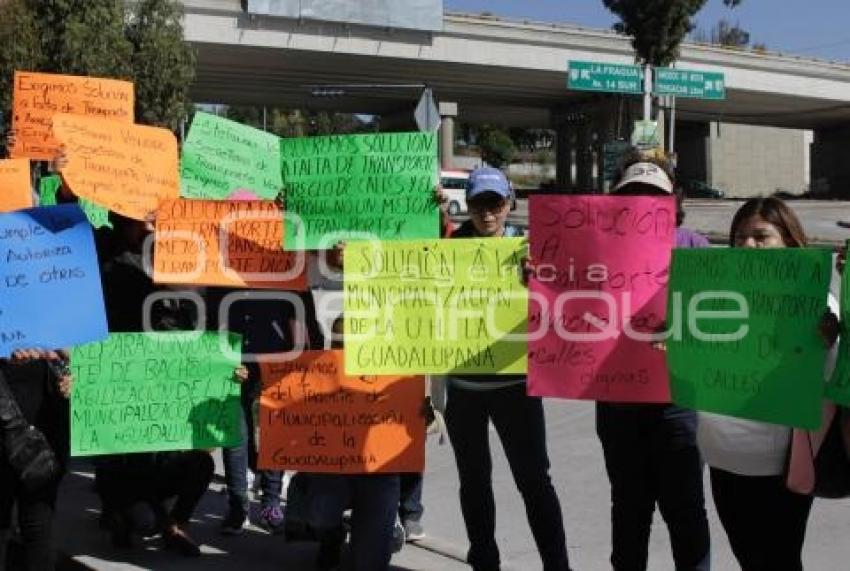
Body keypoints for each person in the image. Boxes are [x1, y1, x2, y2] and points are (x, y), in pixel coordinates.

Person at [698, 197, 839, 571]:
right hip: (723, 456)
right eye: (740, 237)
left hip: (779, 465)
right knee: (748, 559)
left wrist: (830, 341)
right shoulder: (709, 297)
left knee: (778, 561)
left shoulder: (815, 303)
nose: (748, 245)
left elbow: (831, 379)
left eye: (761, 236)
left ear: (790, 242)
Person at [444, 167, 572, 571]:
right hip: (464, 385)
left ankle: (558, 564)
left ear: (509, 204)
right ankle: (484, 557)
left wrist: (540, 281)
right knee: (474, 481)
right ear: (468, 205)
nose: (487, 213)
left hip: (517, 384)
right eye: (479, 204)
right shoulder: (448, 245)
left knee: (534, 480)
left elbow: (563, 296)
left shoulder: (527, 247)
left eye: (495, 204)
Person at [595, 154, 711, 571]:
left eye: (653, 195)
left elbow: (722, 318)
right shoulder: (594, 245)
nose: (643, 202)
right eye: (633, 194)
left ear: (673, 200)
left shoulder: (694, 245)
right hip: (617, 406)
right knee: (628, 513)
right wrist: (537, 279)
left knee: (686, 514)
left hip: (676, 406)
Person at [92, 213, 220, 557]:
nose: (150, 227)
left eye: (155, 221)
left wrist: (225, 371)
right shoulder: (109, 249)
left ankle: (172, 523)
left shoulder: (184, 251)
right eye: (141, 222)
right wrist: (67, 195)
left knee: (197, 459)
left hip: (172, 365)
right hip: (121, 367)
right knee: (124, 455)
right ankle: (123, 511)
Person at [208, 284, 325, 535]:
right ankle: (238, 506)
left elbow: (303, 308)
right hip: (234, 354)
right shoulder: (223, 269)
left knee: (275, 430)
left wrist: (312, 354)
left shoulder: (283, 266)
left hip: (278, 356)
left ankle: (270, 501)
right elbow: (212, 311)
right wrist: (215, 356)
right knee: (236, 432)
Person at [0, 351, 72, 571]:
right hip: (6, 425)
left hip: (45, 434)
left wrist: (69, 368)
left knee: (39, 526)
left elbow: (78, 349)